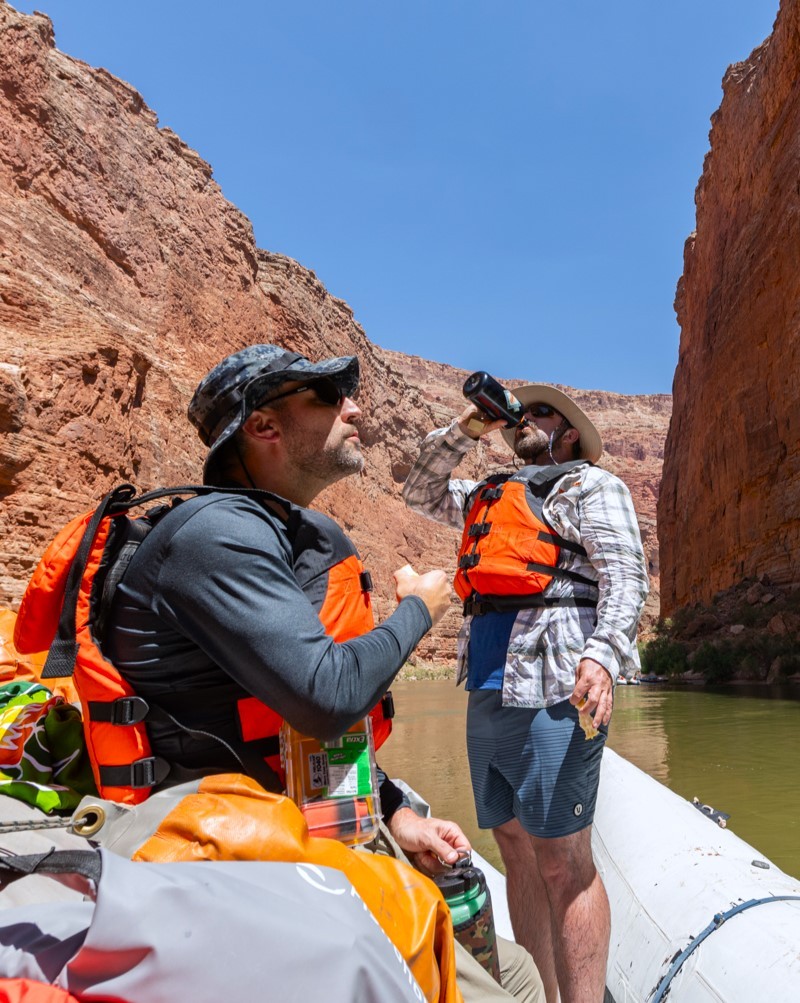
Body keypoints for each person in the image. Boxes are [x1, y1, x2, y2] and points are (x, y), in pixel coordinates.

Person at [104, 344, 543, 1003]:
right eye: (330, 396)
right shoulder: (215, 535)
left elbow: (285, 722)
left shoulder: (273, 534)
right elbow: (328, 694)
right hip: (222, 847)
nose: (355, 407)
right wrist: (420, 606)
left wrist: (395, 813)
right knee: (513, 988)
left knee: (520, 972)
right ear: (264, 428)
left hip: (288, 822)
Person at [403, 384, 649, 1003]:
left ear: (568, 432)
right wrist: (466, 428)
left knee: (563, 858)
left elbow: (625, 572)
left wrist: (602, 654)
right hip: (488, 685)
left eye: (541, 412)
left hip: (557, 685)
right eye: (522, 412)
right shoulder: (489, 494)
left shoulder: (590, 487)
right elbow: (420, 491)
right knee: (514, 845)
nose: (525, 420)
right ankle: (540, 994)